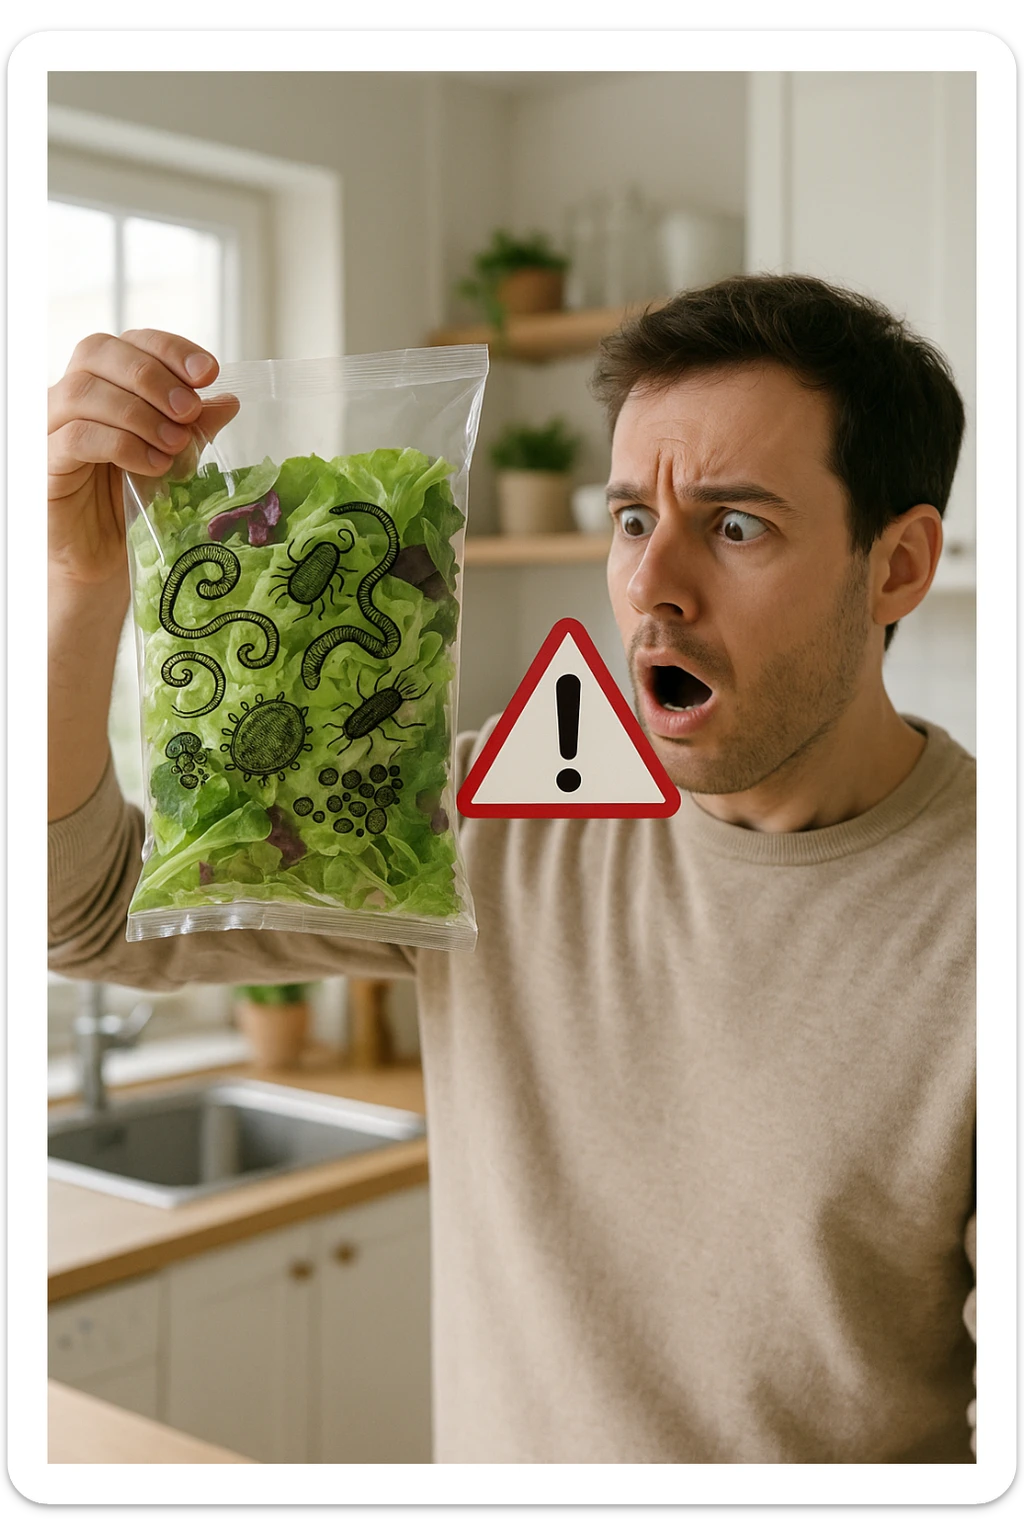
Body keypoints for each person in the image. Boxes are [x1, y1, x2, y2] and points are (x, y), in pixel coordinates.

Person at [47, 275, 976, 1464]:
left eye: (736, 526)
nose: (650, 586)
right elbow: (85, 913)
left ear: (897, 566)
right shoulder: (505, 815)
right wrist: (81, 586)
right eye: (631, 519)